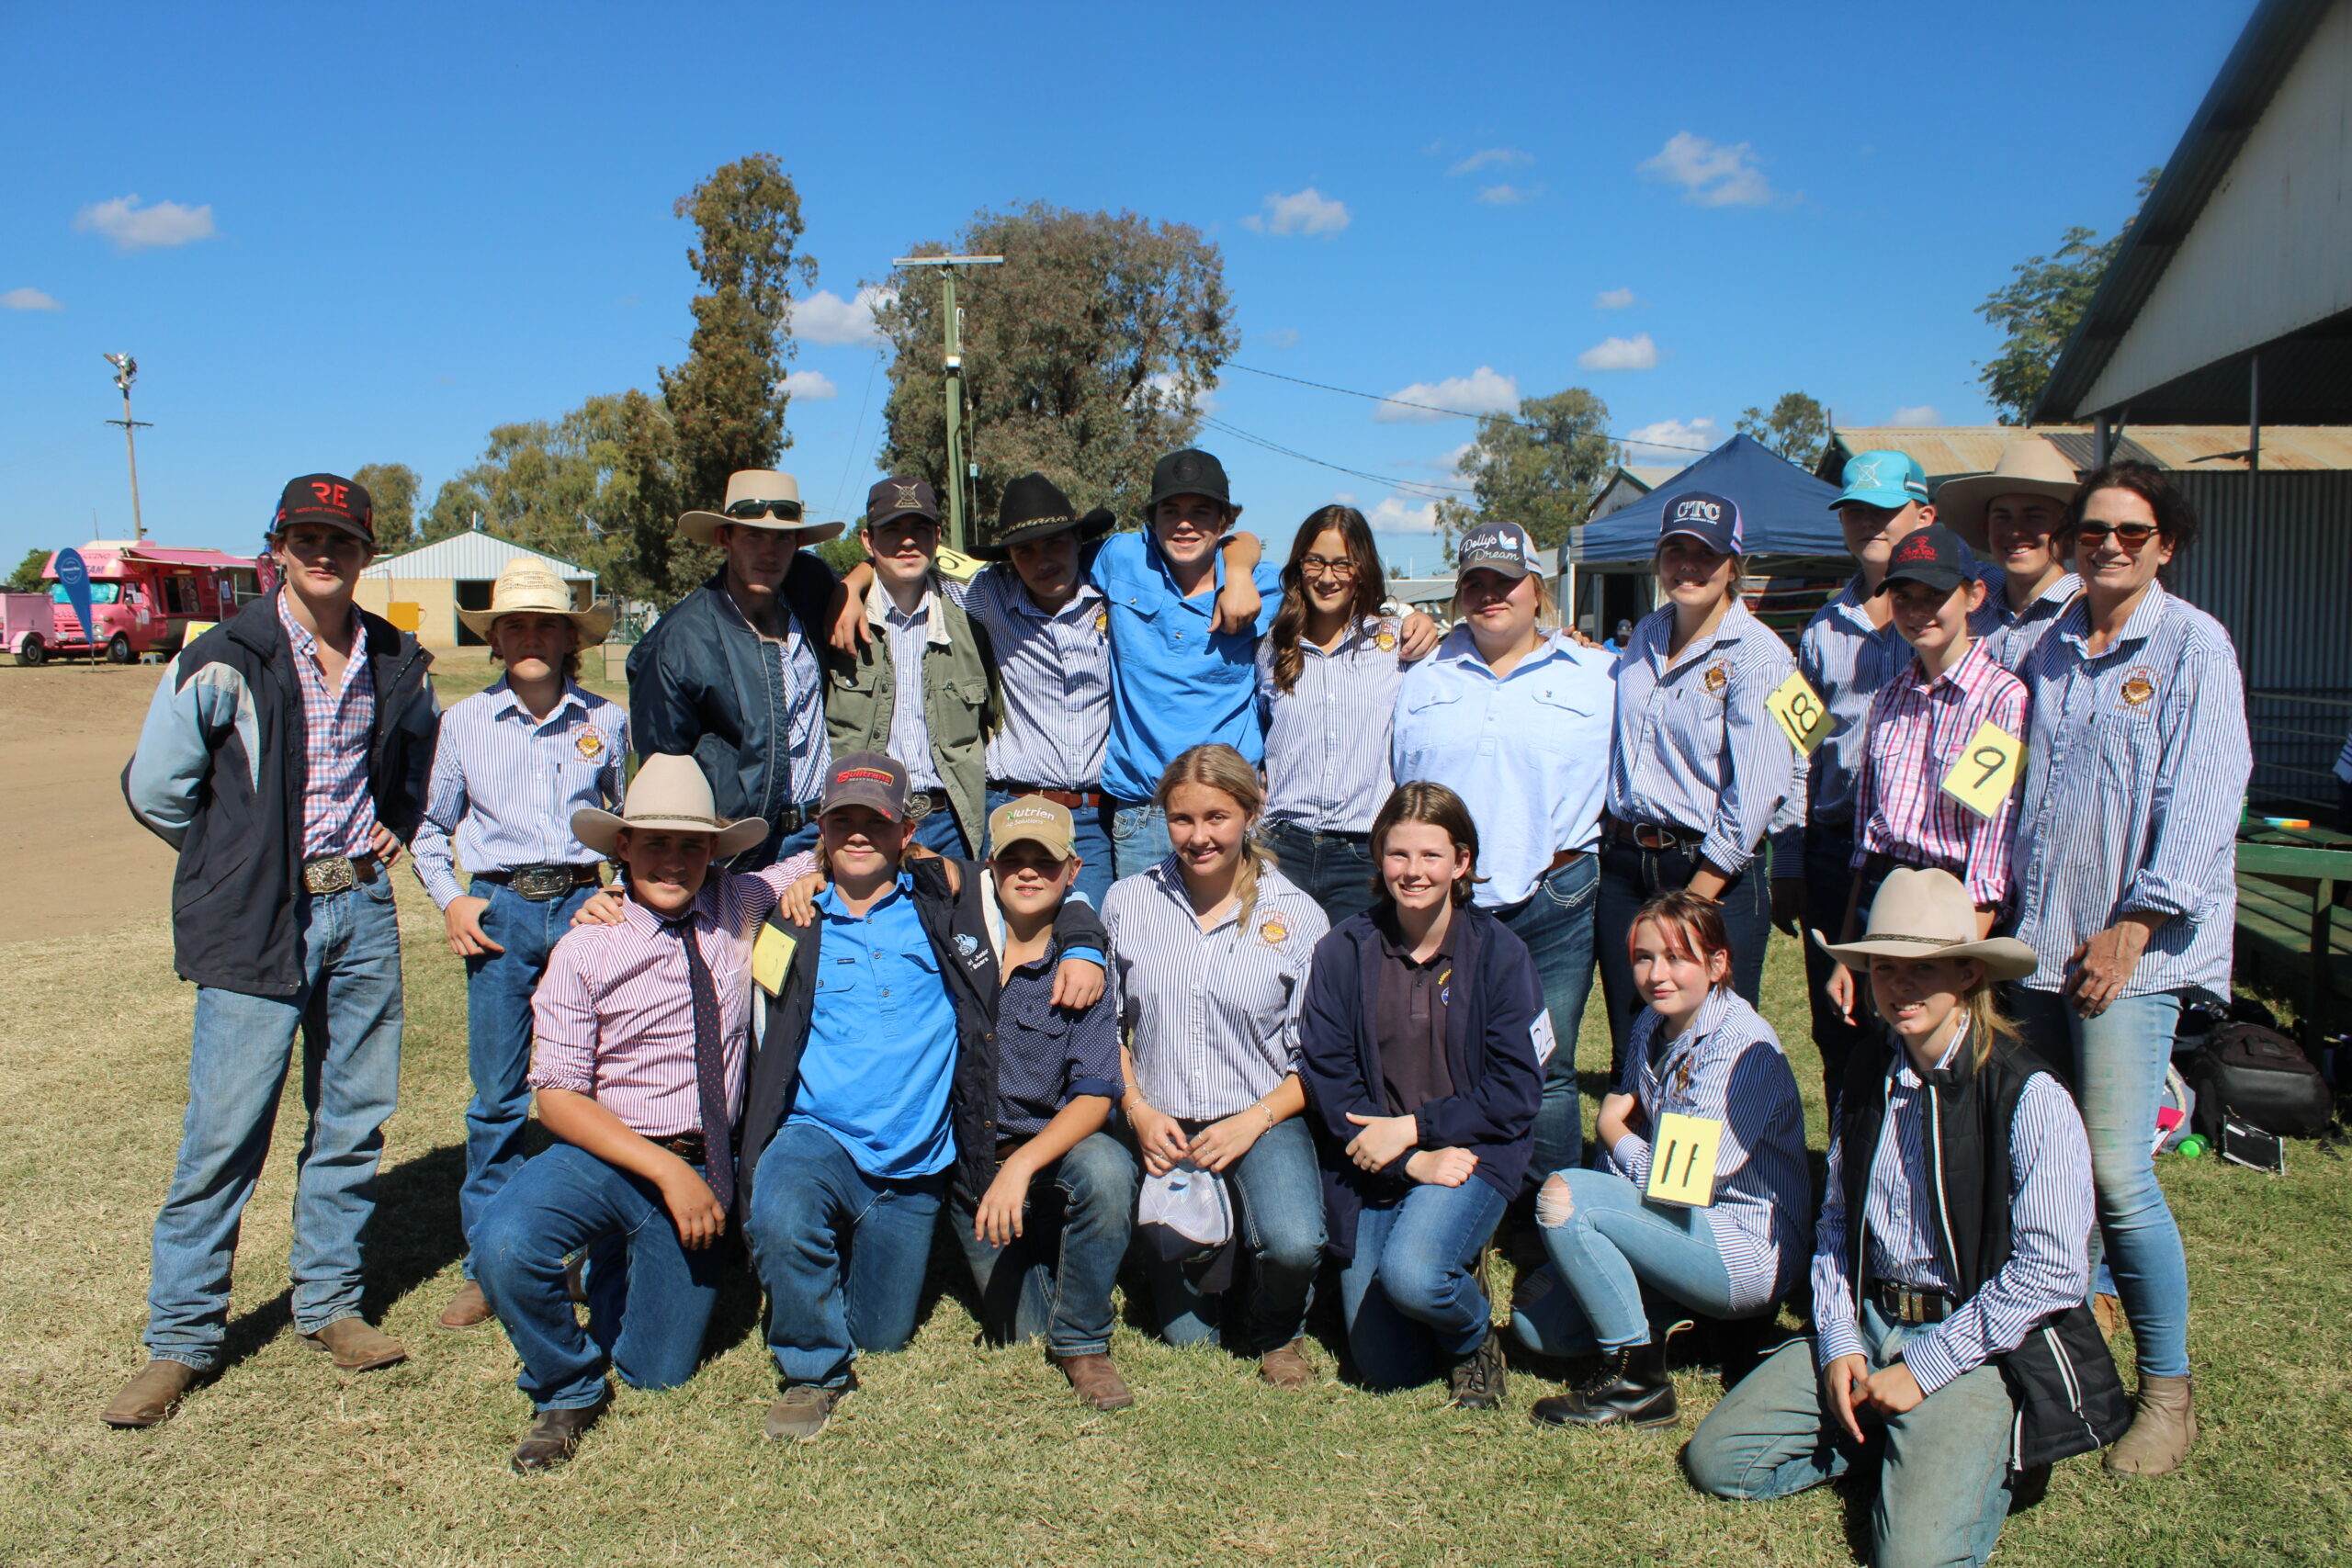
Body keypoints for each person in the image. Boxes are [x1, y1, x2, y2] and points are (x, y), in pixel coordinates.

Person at [109, 473, 438, 1427]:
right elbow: (155, 789)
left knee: (353, 1118)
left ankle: (329, 1305)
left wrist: (399, 824)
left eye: (340, 539)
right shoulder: (226, 653)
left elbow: (414, 763)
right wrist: (236, 861)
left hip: (363, 912)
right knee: (224, 1134)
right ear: (277, 547)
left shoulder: (395, 657)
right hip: (260, 917)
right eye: (305, 537)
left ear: (367, 553)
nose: (322, 553)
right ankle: (180, 1339)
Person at [1688, 868, 2120, 1568]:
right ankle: (1898, 1443)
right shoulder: (1866, 1071)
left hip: (1974, 1342)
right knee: (1720, 1458)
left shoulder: (2028, 1092)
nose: (1900, 984)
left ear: (1970, 973)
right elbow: (1834, 1226)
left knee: (1913, 1558)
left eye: (1923, 968)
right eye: (1885, 967)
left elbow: (2053, 1271)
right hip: (1871, 1321)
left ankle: (1970, 1447)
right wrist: (1837, 1340)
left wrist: (1924, 1367)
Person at [734, 752, 1103, 1440]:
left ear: (905, 831)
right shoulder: (793, 919)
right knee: (784, 1203)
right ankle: (811, 1368)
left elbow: (1053, 890)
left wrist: (1085, 945)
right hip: (821, 1135)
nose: (856, 834)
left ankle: (832, 1279)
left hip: (915, 1167)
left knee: (882, 1336)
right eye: (841, 819)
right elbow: (743, 974)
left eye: (874, 822)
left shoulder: (948, 898)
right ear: (820, 826)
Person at [469, 755, 812, 1472]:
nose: (674, 859)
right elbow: (556, 1095)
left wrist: (822, 869)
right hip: (612, 1150)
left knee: (658, 1370)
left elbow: (828, 854)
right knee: (504, 1241)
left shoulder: (738, 902)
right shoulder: (585, 945)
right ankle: (564, 1383)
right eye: (654, 840)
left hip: (702, 1156)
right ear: (621, 847)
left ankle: (618, 1261)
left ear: (714, 851)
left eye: (692, 844)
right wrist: (663, 1171)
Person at [2007, 462, 2248, 1476]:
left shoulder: (2193, 645)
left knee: (2115, 1172)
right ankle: (2063, 1359)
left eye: (2131, 531)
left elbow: (2204, 796)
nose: (2110, 544)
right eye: (2094, 529)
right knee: (2045, 1166)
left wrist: (2134, 927)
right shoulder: (2043, 648)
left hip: (2131, 961)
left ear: (2166, 543)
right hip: (2035, 948)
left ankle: (2168, 1392)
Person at [411, 557, 627, 1331]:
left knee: (594, 1084)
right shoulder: (464, 724)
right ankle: (490, 1261)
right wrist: (453, 899)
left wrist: (620, 892)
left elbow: (632, 824)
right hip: (500, 909)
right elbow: (430, 830)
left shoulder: (606, 721)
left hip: (579, 904)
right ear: (495, 639)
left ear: (570, 638)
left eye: (546, 625)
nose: (530, 637)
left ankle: (599, 1249)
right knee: (498, 1096)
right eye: (515, 626)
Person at [1512, 890, 1809, 1429]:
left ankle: (1639, 1385)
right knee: (1538, 1329)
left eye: (1678, 958)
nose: (1656, 974)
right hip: (1676, 1227)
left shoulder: (1740, 1043)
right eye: (1644, 957)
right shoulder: (1653, 1023)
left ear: (1718, 964)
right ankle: (1687, 1322)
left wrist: (1609, 1129)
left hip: (1744, 1246)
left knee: (1564, 1197)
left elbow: (1679, 1181)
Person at [1296, 783, 1542, 1404]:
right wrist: (1408, 1158)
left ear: (1462, 862)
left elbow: (1515, 1089)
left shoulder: (1501, 956)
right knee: (1387, 1365)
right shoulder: (1341, 952)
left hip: (1471, 1153)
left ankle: (1471, 1332)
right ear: (1379, 857)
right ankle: (1432, 1272)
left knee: (1415, 1277)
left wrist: (1416, 1130)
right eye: (1398, 854)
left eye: (1431, 855)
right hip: (1377, 1159)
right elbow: (1331, 1083)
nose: (1413, 871)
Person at [1392, 519, 1612, 1180]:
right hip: (1443, 901)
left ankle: (1549, 1210)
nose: (1492, 595)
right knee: (1446, 1053)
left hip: (1555, 896)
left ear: (1537, 589)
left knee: (1546, 1060)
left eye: (1506, 582)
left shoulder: (1600, 673)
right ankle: (1473, 1192)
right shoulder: (1416, 674)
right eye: (1476, 583)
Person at [1105, 743, 1330, 1386]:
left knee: (1293, 1244)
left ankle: (1276, 1330)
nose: (1199, 836)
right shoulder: (1128, 903)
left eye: (1217, 817)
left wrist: (1252, 1121)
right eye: (1182, 819)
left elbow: (1313, 1058)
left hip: (1259, 1112)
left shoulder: (1299, 915)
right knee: (1189, 1343)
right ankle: (1198, 1261)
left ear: (1251, 813)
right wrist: (1137, 1108)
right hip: (1164, 1121)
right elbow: (1108, 1030)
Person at [1597, 491, 1798, 1073]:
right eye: (1675, 551)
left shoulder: (1763, 656)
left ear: (1734, 564)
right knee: (1633, 1036)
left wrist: (1693, 899)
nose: (1688, 567)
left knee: (1707, 1045)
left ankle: (1713, 1165)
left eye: (1705, 554)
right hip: (1627, 865)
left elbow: (1760, 790)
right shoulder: (1642, 637)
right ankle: (1632, 1159)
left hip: (1710, 872)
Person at [947, 795, 1136, 1411]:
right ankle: (1052, 1276)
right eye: (1013, 860)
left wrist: (1025, 1166)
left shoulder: (1082, 964)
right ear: (990, 869)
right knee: (1019, 1333)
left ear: (1073, 869)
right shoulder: (954, 942)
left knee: (1107, 1168)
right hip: (974, 1165)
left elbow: (1094, 1095)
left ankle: (1084, 1340)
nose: (1028, 872)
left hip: (1050, 1156)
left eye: (1044, 861)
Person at [1822, 525, 2028, 1030]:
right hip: (1884, 892)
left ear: (1974, 595)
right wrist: (1849, 953)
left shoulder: (2002, 699)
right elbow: (1867, 840)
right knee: (1872, 1052)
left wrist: (1969, 960)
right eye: (1904, 596)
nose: (1918, 610)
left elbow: (1990, 843)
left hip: (1950, 904)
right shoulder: (1889, 698)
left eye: (1936, 595)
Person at [1790, 448, 1939, 1106]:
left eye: (1886, 510)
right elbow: (1803, 746)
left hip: (1926, 856)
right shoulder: (1823, 627)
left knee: (1920, 1024)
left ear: (1924, 514)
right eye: (1856, 510)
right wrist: (1787, 858)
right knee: (1838, 1024)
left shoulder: (1961, 610)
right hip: (1833, 848)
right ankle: (1849, 1178)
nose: (1869, 523)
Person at [628, 469, 847, 870]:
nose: (770, 551)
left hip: (822, 835)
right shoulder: (679, 642)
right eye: (753, 535)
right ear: (724, 538)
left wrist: (853, 590)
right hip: (742, 848)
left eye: (783, 537)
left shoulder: (810, 591)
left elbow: (873, 571)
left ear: (798, 543)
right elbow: (660, 771)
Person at [961, 472, 1120, 908]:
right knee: (1006, 941)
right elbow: (916, 568)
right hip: (1015, 807)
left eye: (1055, 542)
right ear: (1009, 558)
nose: (1042, 559)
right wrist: (858, 576)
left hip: (1093, 816)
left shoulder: (1113, 597)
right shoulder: (988, 594)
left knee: (1087, 939)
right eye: (1024, 550)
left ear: (1077, 540)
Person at [1257, 504, 1419, 926]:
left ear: (1362, 570)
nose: (1327, 578)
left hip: (1362, 854)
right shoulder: (1271, 648)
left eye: (1342, 564)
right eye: (1315, 561)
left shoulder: (1394, 645)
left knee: (1355, 983)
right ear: (1298, 567)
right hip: (1282, 848)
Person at [825, 478, 996, 856]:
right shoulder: (837, 620)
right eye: (892, 530)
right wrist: (851, 587)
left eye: (919, 529)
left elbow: (990, 717)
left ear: (937, 537)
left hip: (952, 824)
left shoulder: (971, 623)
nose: (907, 542)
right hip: (865, 825)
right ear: (868, 541)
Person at [1932, 438, 2083, 674]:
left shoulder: (2087, 610)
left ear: (2066, 527)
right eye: (2002, 517)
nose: (2015, 531)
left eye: (2034, 517)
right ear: (1986, 527)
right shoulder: (1969, 597)